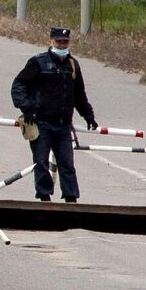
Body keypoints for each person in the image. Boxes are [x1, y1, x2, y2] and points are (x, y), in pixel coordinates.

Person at [11, 26, 98, 202]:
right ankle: (44, 196)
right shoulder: (38, 62)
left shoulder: (73, 64)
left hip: (63, 124)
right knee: (41, 162)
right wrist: (26, 107)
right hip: (41, 122)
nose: (62, 44)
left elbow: (79, 94)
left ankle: (71, 197)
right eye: (59, 41)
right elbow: (19, 85)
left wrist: (89, 115)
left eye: (65, 42)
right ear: (50, 41)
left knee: (67, 164)